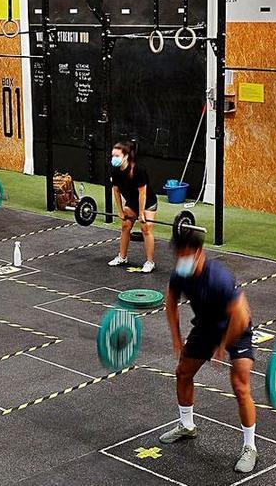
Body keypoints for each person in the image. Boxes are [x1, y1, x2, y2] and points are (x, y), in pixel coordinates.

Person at [159, 229, 258, 473]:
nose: (182, 260)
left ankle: (250, 447)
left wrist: (223, 346)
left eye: (186, 255)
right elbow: (170, 302)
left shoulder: (219, 278)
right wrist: (176, 337)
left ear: (199, 253)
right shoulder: (181, 273)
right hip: (205, 327)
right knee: (183, 372)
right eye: (178, 255)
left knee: (240, 384)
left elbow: (241, 315)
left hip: (236, 328)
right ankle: (187, 425)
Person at [107, 141, 158, 273]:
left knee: (145, 229)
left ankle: (150, 262)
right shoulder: (115, 170)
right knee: (125, 225)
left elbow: (143, 194)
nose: (114, 158)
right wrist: (120, 211)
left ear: (125, 157)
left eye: (117, 156)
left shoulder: (138, 170)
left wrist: (141, 213)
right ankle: (122, 257)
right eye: (113, 155)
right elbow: (116, 191)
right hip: (132, 202)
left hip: (148, 202)